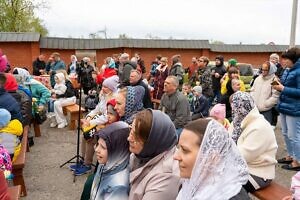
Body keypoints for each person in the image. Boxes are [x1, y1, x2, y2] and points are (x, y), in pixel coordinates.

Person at [174, 119, 249, 200]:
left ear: (212, 157)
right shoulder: (189, 184)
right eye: (178, 148)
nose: (176, 156)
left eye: (185, 150)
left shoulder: (229, 195)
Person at [230, 92, 277, 192]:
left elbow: (242, 156)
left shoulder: (259, 126)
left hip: (259, 173)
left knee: (225, 185)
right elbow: (227, 142)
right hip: (241, 167)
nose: (233, 110)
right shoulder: (237, 122)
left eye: (235, 106)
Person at [128, 109, 180, 200]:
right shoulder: (145, 153)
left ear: (152, 141)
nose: (129, 138)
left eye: (136, 136)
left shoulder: (166, 178)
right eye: (131, 131)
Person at [89, 121, 130, 200]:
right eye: (98, 144)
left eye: (103, 147)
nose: (97, 150)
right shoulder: (107, 163)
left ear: (118, 150)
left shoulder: (118, 186)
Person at [274, 47, 300, 171]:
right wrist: (278, 83)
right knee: (285, 133)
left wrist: (283, 88)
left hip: (294, 108)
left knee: (294, 135)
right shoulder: (287, 70)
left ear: (293, 59)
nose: (283, 62)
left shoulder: (299, 71)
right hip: (284, 106)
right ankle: (291, 155)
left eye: (286, 59)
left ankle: (298, 161)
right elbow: (284, 85)